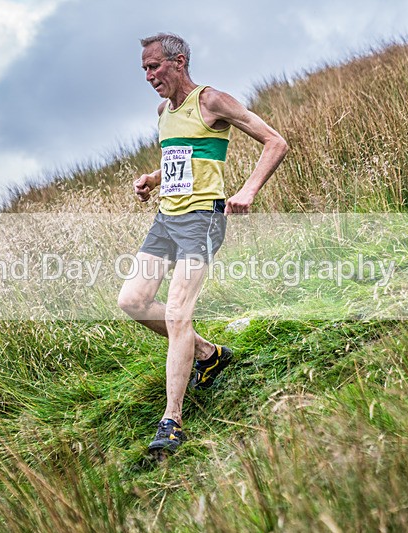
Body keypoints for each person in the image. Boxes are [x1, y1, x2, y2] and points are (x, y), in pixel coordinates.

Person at [118, 33, 288, 457]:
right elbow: (182, 156)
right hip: (166, 219)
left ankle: (171, 423)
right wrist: (152, 180)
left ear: (178, 63)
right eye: (143, 69)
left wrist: (248, 191)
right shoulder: (163, 111)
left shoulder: (212, 101)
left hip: (202, 221)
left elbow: (275, 142)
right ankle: (209, 355)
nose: (148, 75)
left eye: (153, 66)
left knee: (177, 314)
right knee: (132, 301)